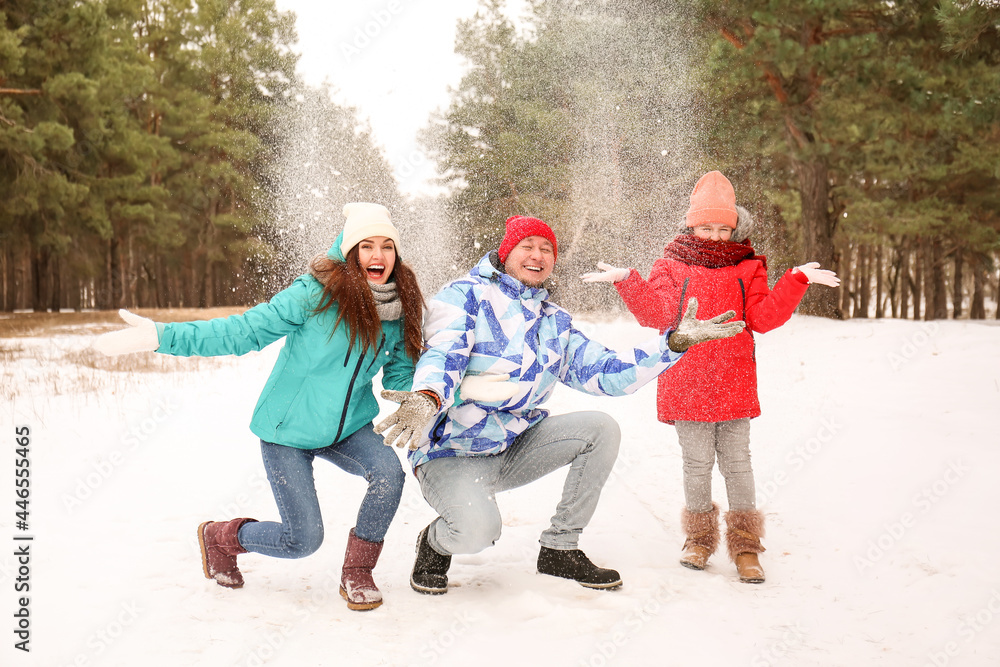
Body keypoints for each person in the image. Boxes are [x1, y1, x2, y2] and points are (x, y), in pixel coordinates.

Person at [373, 214, 745, 594]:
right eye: (527, 246)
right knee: (478, 531)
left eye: (546, 248)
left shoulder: (554, 322)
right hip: (452, 452)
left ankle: (559, 548)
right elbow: (444, 355)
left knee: (600, 428)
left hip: (513, 447)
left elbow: (608, 372)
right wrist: (428, 397)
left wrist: (672, 344)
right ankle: (435, 543)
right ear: (506, 252)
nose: (537, 255)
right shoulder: (466, 296)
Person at [92, 203, 424, 611]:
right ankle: (220, 537)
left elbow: (400, 368)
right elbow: (244, 331)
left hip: (348, 428)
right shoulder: (313, 295)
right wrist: (163, 337)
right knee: (302, 541)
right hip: (287, 432)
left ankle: (358, 571)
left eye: (387, 246)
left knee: (389, 473)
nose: (377, 256)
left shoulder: (398, 306)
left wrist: (413, 398)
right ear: (349, 251)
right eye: (367, 245)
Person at [581, 171, 840, 583]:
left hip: (734, 380)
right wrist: (628, 282)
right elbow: (657, 315)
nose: (716, 236)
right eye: (706, 226)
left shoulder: (747, 266)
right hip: (687, 381)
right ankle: (699, 540)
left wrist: (795, 281)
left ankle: (746, 546)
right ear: (691, 224)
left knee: (738, 465)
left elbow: (762, 317)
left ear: (734, 227)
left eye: (724, 228)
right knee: (697, 464)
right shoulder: (670, 265)